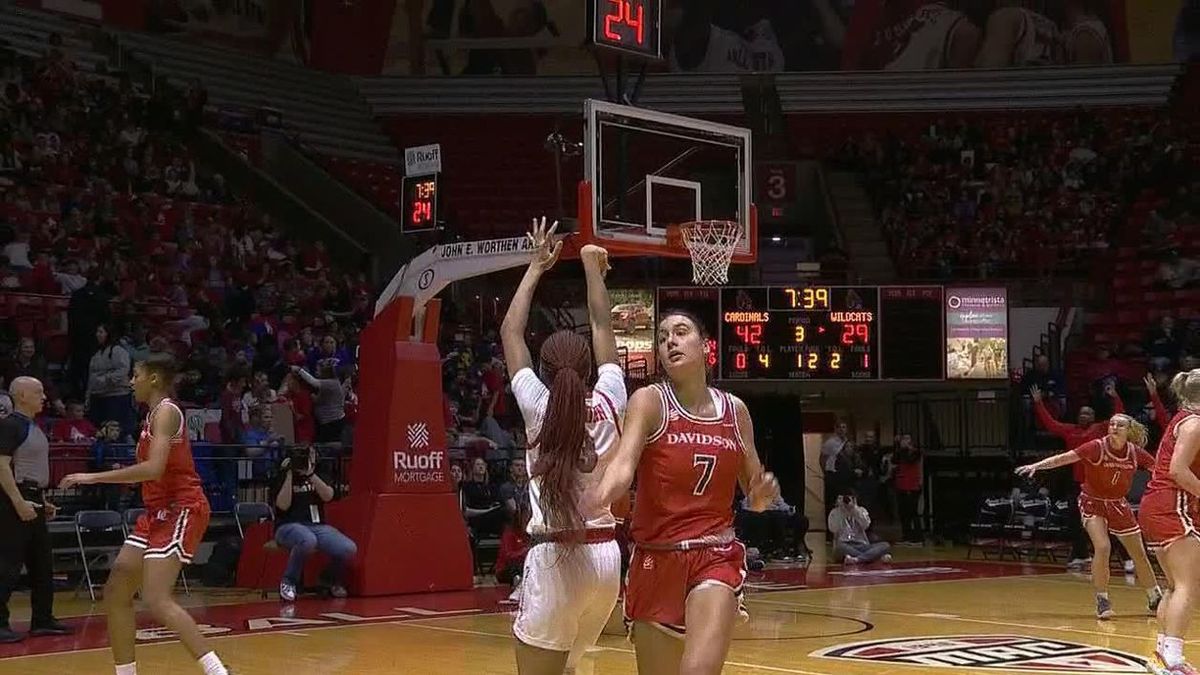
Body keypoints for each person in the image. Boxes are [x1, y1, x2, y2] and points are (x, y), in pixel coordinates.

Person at [596, 309, 780, 675]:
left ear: (706, 346)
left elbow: (754, 494)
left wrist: (762, 496)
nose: (670, 342)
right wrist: (599, 494)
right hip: (655, 557)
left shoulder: (735, 412)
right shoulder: (649, 401)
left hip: (714, 554)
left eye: (680, 333)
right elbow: (622, 465)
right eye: (663, 338)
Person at [501, 218, 626, 675]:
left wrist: (536, 266)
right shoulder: (612, 395)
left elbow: (511, 334)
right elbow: (601, 324)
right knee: (574, 668)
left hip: (558, 555)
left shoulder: (538, 404)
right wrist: (593, 267)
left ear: (547, 370)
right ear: (588, 366)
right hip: (607, 561)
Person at [59, 354, 230, 675]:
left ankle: (218, 671)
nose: (130, 381)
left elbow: (153, 468)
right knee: (117, 587)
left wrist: (92, 476)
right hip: (157, 512)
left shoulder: (166, 411)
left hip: (182, 507)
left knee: (156, 598)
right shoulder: (151, 416)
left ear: (153, 378)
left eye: (135, 375)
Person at [1015, 414, 1163, 619]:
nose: (1114, 427)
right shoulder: (1096, 447)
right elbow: (1065, 457)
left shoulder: (1135, 452)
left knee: (1139, 553)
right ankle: (1102, 599)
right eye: (1111, 424)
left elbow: (1160, 470)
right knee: (1102, 547)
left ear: (1129, 430)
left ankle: (1154, 597)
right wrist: (1036, 466)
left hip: (1118, 504)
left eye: (1119, 425)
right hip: (1092, 501)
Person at [1138, 369, 1200, 674]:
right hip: (1171, 504)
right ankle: (1173, 658)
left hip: (1155, 504)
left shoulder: (1184, 418)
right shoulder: (1195, 425)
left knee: (1175, 585)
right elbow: (1177, 470)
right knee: (1189, 586)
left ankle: (1162, 654)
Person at [0, 377, 71, 643]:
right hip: (12, 500)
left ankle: (43, 619)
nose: (44, 396)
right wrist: (18, 502)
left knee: (42, 563)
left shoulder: (32, 426)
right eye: (39, 392)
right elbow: (2, 466)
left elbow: (29, 467)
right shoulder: (9, 426)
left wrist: (42, 500)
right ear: (21, 395)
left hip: (34, 497)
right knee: (7, 564)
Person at [271, 445, 357, 602]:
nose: (306, 458)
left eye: (309, 455)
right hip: (287, 526)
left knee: (348, 548)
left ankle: (328, 580)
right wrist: (290, 474)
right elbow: (282, 505)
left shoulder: (320, 473)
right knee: (308, 539)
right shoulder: (283, 474)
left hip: (316, 525)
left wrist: (310, 474)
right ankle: (288, 581)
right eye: (303, 456)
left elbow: (328, 496)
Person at [827, 488, 891, 565]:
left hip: (862, 544)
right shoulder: (834, 513)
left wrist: (854, 510)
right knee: (840, 547)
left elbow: (866, 525)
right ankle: (872, 558)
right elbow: (834, 529)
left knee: (885, 545)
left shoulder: (861, 510)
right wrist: (841, 511)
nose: (846, 501)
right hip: (845, 545)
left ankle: (857, 559)